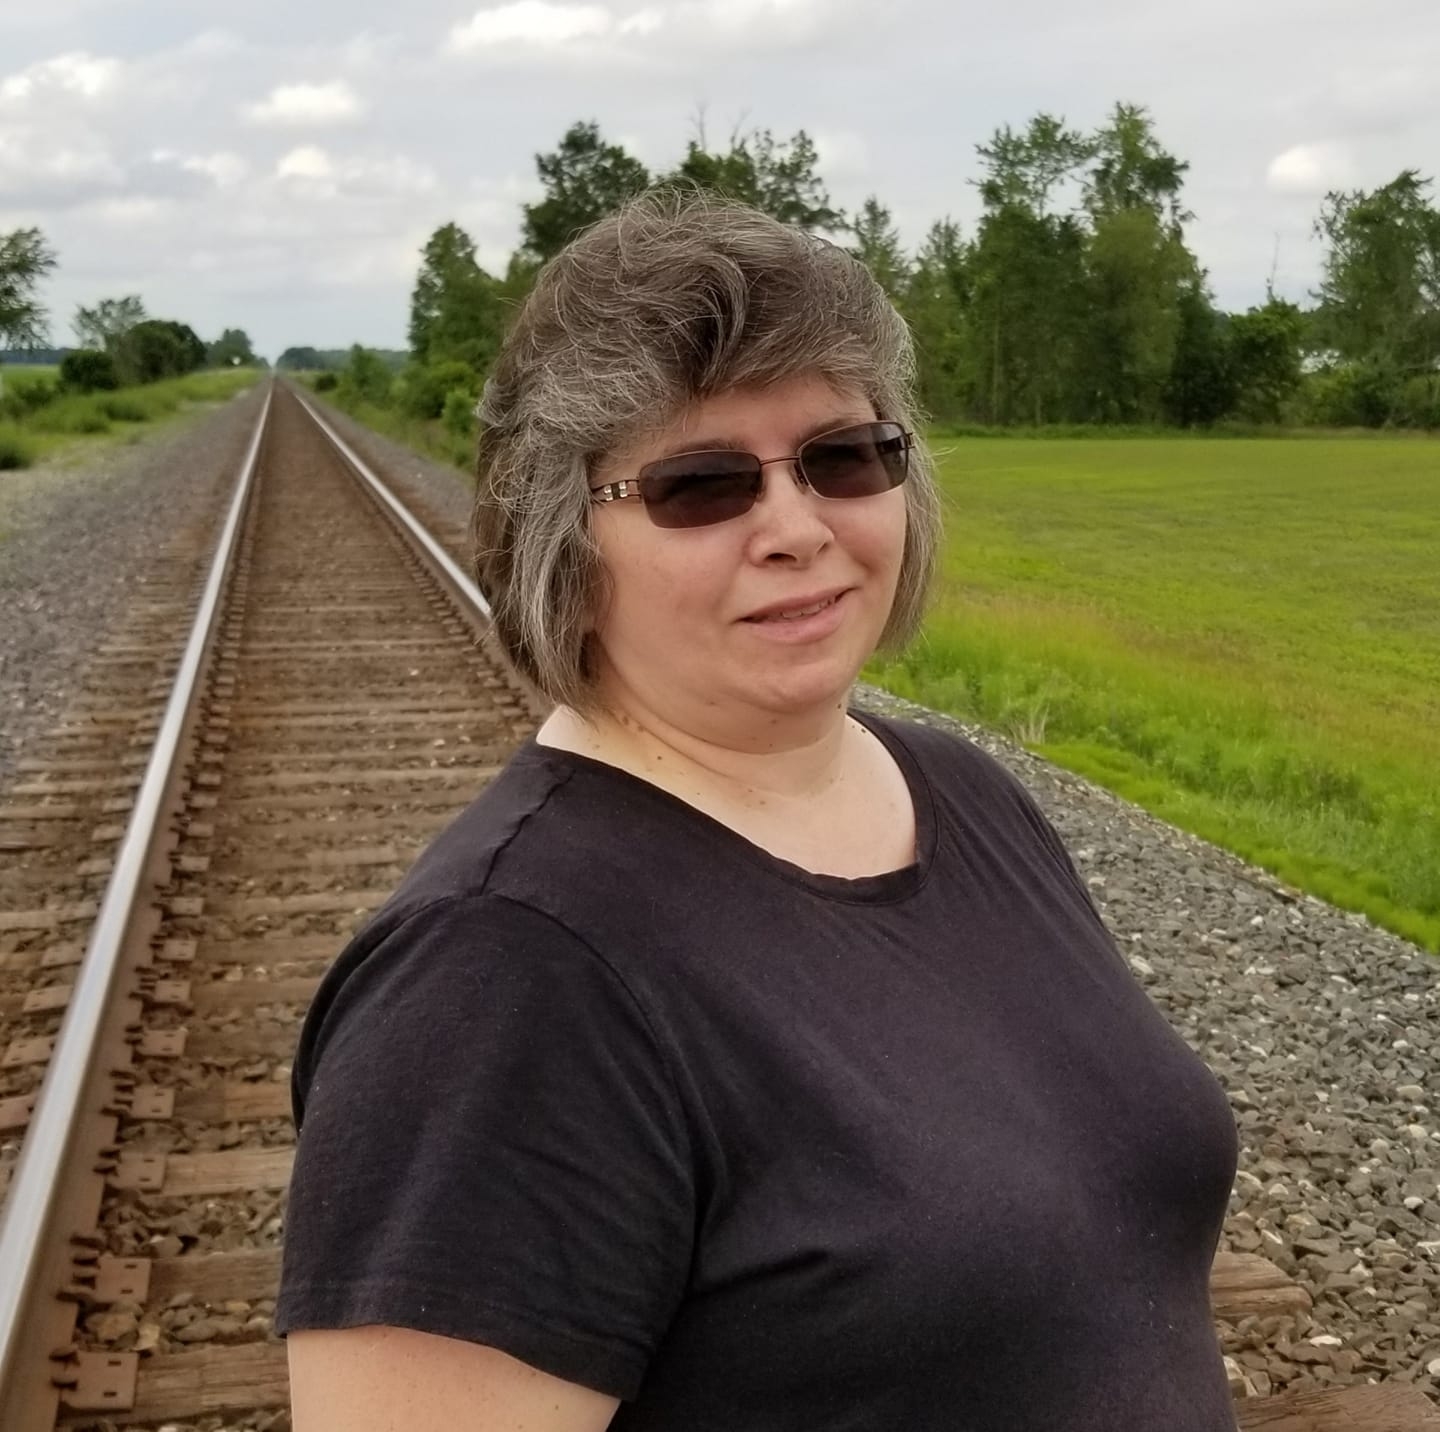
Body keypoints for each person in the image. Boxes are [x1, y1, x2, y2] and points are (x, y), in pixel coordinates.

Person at [276, 191, 1241, 1431]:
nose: (796, 526)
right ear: (561, 543)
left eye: (846, 455)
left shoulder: (966, 795)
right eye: (700, 485)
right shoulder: (499, 976)